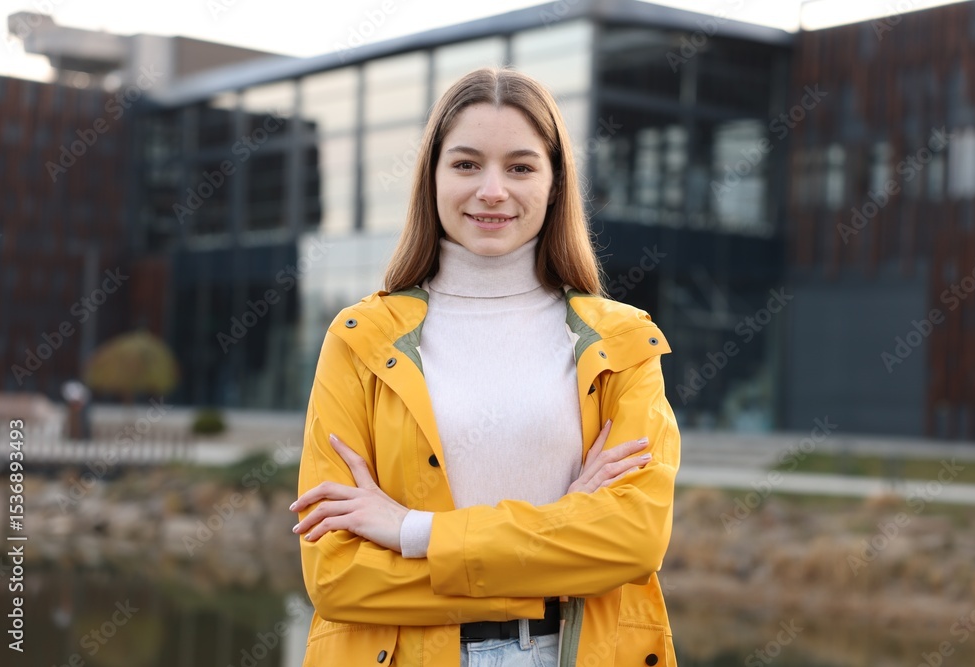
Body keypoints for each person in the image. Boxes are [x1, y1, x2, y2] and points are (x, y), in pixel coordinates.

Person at [290, 66, 681, 667]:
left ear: (554, 184)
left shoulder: (622, 341)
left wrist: (410, 531)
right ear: (433, 177)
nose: (492, 190)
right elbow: (337, 575)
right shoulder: (360, 339)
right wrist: (556, 541)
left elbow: (632, 541)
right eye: (467, 164)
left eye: (521, 167)